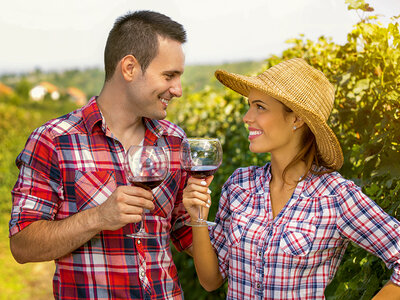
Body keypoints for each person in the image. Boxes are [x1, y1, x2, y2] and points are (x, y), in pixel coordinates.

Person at [9, 10, 193, 299]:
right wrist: (98, 218)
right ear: (130, 68)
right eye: (169, 75)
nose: (178, 90)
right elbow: (22, 245)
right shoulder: (54, 140)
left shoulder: (174, 141)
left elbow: (184, 228)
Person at [182, 58, 400, 299]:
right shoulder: (239, 185)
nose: (247, 117)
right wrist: (198, 216)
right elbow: (211, 280)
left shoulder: (335, 196)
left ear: (296, 118)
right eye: (249, 106)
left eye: (260, 107)